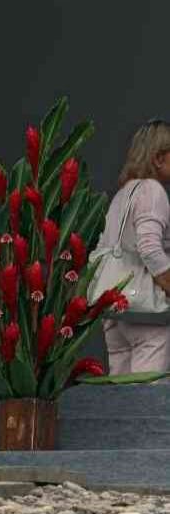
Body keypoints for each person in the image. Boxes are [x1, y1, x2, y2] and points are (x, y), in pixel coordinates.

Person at [93, 120, 170, 374]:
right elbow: (149, 248)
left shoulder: (124, 193)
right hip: (145, 314)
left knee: (121, 399)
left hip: (116, 311)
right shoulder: (153, 190)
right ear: (159, 158)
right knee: (145, 401)